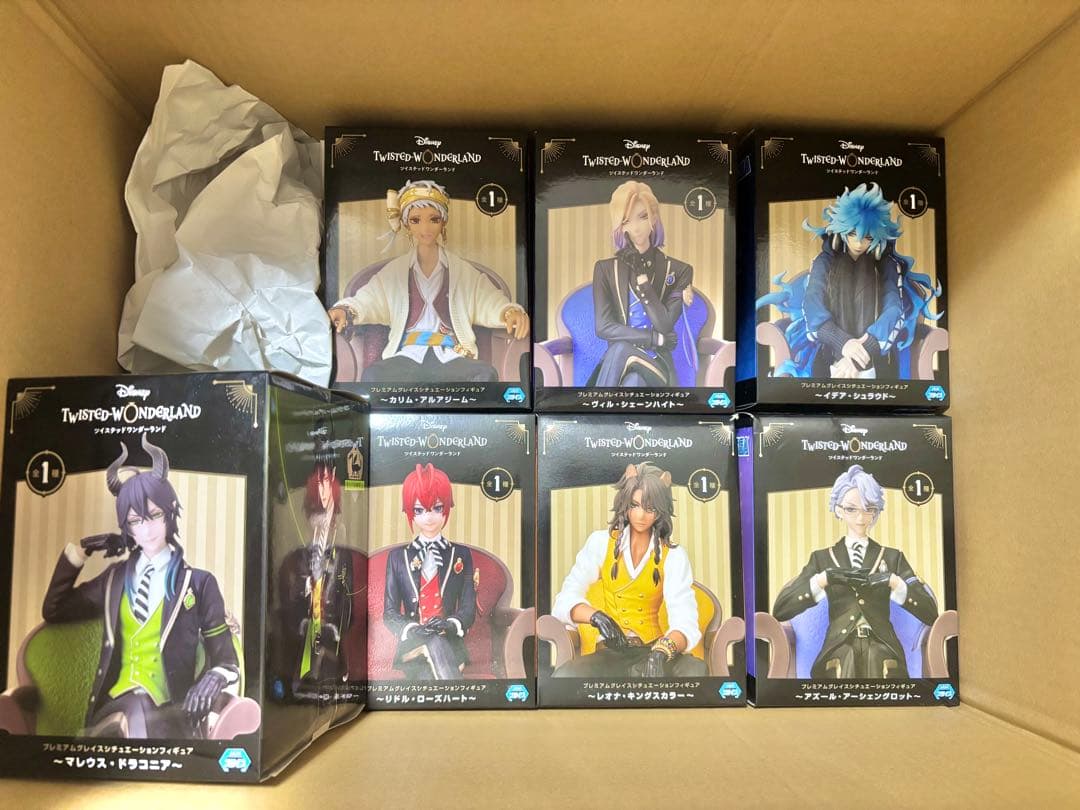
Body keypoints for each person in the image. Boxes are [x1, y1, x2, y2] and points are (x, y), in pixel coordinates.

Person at [42, 434, 240, 739]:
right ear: (126, 526)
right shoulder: (114, 580)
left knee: (145, 711)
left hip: (171, 713)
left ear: (170, 512)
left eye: (155, 515)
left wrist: (215, 676)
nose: (146, 530)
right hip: (114, 705)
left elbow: (226, 659)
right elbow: (54, 609)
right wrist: (83, 549)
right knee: (136, 706)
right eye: (135, 521)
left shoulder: (199, 583)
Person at [327, 179, 529, 383]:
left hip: (452, 355)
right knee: (373, 376)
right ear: (407, 224)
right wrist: (346, 310)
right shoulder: (394, 272)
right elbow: (369, 300)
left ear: (443, 222)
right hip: (407, 355)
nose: (425, 228)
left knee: (485, 375)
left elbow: (487, 299)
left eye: (433, 219)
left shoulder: (462, 271)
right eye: (416, 220)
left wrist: (509, 312)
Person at [756, 183, 942, 379]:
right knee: (844, 265)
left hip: (876, 358)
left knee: (865, 266)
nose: (859, 243)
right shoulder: (824, 261)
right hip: (828, 354)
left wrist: (861, 352)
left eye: (867, 237)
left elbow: (894, 309)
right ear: (842, 230)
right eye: (852, 234)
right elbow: (812, 304)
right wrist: (842, 343)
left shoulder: (887, 265)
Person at [772, 464, 940, 679]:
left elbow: (930, 613)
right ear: (839, 510)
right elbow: (781, 610)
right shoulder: (822, 558)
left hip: (884, 645)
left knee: (877, 658)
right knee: (845, 660)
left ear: (876, 511)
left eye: (868, 509)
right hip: (837, 647)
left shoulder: (892, 557)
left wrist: (895, 583)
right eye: (852, 509)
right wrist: (823, 580)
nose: (861, 517)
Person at [551, 463, 705, 678]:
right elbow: (564, 600)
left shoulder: (674, 555)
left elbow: (685, 619)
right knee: (566, 676)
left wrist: (661, 652)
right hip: (610, 654)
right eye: (635, 505)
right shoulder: (600, 543)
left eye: (650, 508)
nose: (641, 515)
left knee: (694, 669)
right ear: (625, 504)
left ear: (661, 511)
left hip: (653, 648)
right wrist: (596, 617)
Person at [589, 181, 697, 388]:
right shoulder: (605, 269)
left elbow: (665, 325)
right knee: (633, 382)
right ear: (620, 226)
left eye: (643, 216)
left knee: (620, 348)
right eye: (626, 221)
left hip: (657, 364)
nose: (636, 228)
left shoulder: (679, 270)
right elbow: (603, 327)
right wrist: (655, 339)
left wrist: (642, 279)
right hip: (621, 365)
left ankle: (592, 406)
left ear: (654, 218)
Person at [382, 463, 476, 679]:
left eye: (437, 508)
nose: (429, 517)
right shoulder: (398, 557)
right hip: (412, 646)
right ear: (410, 512)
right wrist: (413, 629)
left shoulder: (461, 554)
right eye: (419, 510)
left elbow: (468, 606)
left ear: (447, 508)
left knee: (431, 659)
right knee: (433, 646)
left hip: (451, 643)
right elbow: (389, 612)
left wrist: (450, 624)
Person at [278, 460, 353, 691]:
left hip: (333, 643)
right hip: (301, 641)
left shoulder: (343, 558)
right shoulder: (293, 560)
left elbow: (348, 602)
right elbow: (287, 605)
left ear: (335, 516)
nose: (320, 520)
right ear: (307, 516)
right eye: (315, 512)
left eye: (326, 512)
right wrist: (302, 623)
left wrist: (336, 626)